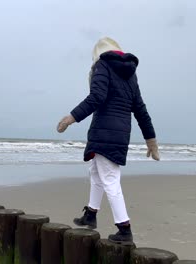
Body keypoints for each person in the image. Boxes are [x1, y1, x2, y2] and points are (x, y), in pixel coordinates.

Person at [57, 37, 160, 243]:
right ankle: (90, 215)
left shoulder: (102, 65)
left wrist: (71, 117)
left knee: (110, 179)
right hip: (120, 134)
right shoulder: (130, 74)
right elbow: (140, 108)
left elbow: (97, 97)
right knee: (96, 171)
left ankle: (124, 228)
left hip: (105, 133)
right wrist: (151, 140)